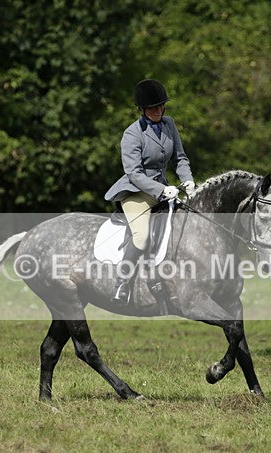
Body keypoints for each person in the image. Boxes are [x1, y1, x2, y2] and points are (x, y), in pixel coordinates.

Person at [104, 79, 195, 304]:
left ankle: (160, 275)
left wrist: (189, 181)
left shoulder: (169, 124)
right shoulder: (132, 134)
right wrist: (162, 189)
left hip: (165, 190)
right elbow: (134, 173)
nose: (158, 110)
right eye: (153, 107)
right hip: (136, 192)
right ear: (142, 109)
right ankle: (122, 284)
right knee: (142, 236)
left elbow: (180, 158)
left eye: (161, 106)